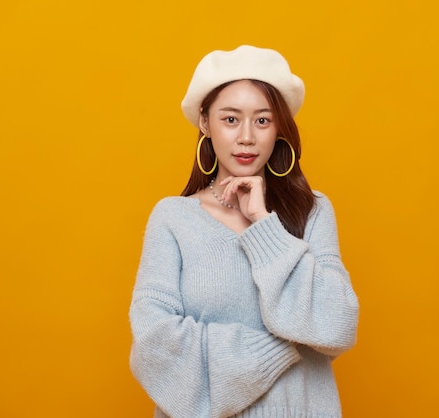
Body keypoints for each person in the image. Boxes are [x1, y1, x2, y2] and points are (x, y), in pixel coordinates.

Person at [129, 45, 359, 418]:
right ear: (205, 122)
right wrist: (281, 349)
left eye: (263, 120)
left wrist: (264, 225)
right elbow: (155, 346)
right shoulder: (172, 219)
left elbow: (338, 324)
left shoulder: (313, 211)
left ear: (279, 127)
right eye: (231, 119)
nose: (247, 137)